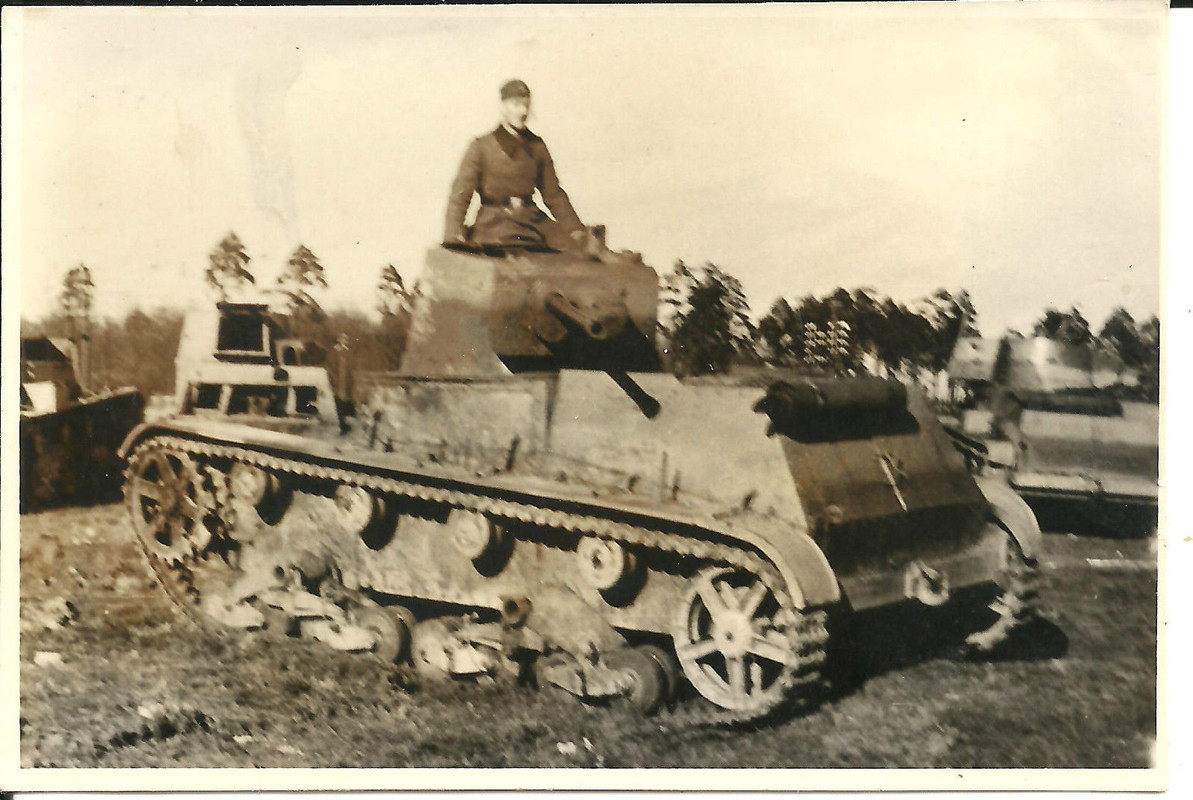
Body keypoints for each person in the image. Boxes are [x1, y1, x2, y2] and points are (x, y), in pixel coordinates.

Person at [443, 79, 599, 255]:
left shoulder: (537, 146)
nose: (523, 111)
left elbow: (553, 194)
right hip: (495, 222)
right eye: (516, 105)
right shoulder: (481, 147)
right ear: (503, 107)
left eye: (526, 105)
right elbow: (460, 195)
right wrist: (453, 235)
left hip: (532, 220)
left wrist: (575, 229)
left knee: (579, 251)